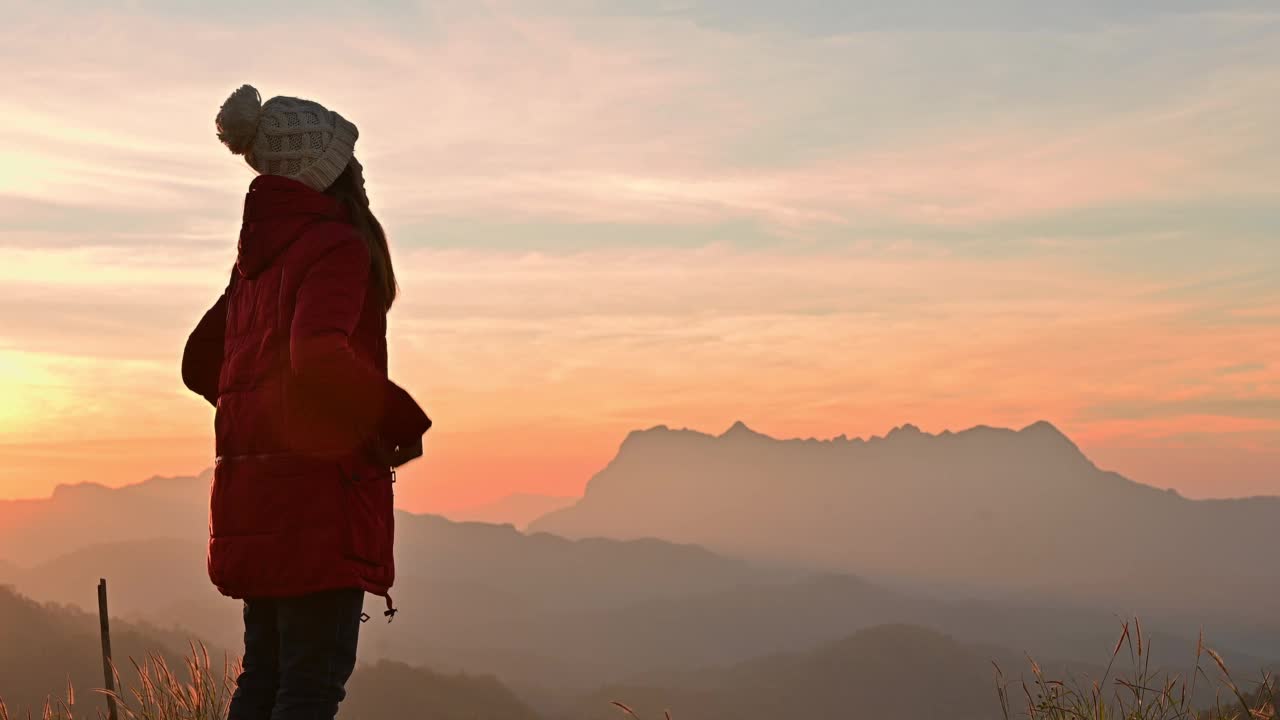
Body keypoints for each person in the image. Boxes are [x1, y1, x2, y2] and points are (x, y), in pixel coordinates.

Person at [181, 84, 431, 720]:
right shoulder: (336, 246)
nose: (362, 168)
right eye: (352, 155)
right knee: (311, 688)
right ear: (329, 168)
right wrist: (400, 419)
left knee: (263, 677)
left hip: (255, 501)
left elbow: (200, 364)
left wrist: (265, 417)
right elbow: (317, 356)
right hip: (319, 499)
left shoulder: (254, 263)